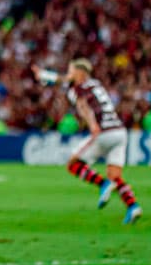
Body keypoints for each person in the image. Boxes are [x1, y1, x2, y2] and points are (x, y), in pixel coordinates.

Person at [33, 58, 142, 224]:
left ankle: (103, 184)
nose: (68, 75)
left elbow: (83, 106)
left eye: (71, 71)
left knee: (73, 164)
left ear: (80, 73)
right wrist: (44, 74)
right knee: (115, 176)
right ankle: (133, 206)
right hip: (119, 132)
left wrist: (92, 125)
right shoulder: (95, 84)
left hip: (103, 132)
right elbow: (63, 80)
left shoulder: (79, 88)